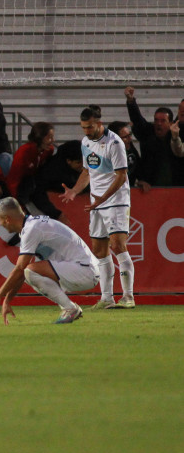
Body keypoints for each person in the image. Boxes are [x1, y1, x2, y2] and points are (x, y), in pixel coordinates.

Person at [60, 105, 135, 310]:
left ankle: (128, 297)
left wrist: (102, 199)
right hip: (97, 202)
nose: (86, 131)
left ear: (99, 123)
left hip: (115, 200)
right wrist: (75, 191)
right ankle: (107, 297)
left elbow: (121, 176)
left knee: (118, 246)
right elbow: (87, 171)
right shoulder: (86, 142)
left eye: (90, 127)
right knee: (99, 250)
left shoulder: (114, 143)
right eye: (83, 127)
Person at [0, 197, 99, 325]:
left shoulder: (32, 229)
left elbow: (20, 269)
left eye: (0, 220)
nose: (0, 224)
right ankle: (69, 308)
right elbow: (21, 273)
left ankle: (70, 308)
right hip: (85, 269)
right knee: (29, 272)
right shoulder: (30, 227)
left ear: (7, 219)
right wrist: (7, 299)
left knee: (30, 271)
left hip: (84, 271)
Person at [5, 122, 67, 223]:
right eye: (49, 137)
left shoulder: (49, 150)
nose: (53, 140)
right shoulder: (24, 152)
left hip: (36, 184)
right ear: (39, 137)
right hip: (22, 186)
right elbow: (14, 179)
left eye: (53, 137)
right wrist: (18, 204)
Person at [124, 87, 180, 186]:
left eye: (163, 121)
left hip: (176, 187)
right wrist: (131, 101)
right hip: (150, 187)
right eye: (156, 120)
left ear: (171, 123)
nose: (158, 124)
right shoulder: (148, 133)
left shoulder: (176, 136)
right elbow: (137, 119)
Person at [107, 121, 146, 192]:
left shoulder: (131, 150)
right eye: (125, 137)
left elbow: (138, 167)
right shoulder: (104, 156)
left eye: (130, 135)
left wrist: (142, 180)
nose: (130, 139)